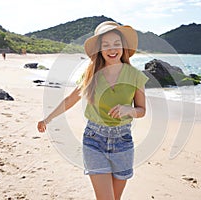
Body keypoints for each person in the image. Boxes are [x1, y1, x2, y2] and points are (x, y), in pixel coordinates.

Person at [37, 21, 149, 200]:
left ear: (123, 47)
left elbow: (142, 110)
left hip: (123, 143)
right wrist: (47, 119)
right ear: (99, 49)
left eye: (116, 44)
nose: (112, 49)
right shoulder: (91, 75)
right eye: (106, 45)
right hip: (94, 141)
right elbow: (71, 99)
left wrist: (129, 109)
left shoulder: (135, 76)